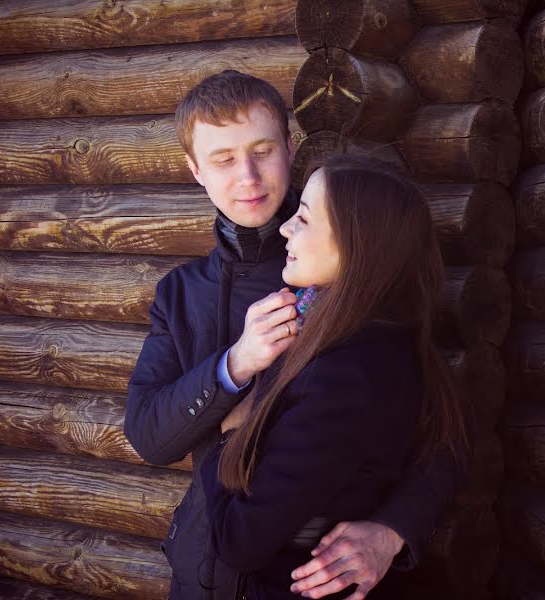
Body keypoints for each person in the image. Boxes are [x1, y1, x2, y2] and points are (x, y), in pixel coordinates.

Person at [125, 71, 461, 600]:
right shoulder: (178, 294)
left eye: (263, 150)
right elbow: (148, 434)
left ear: (289, 147)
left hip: (306, 579)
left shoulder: (350, 269)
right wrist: (232, 367)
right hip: (199, 573)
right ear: (195, 170)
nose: (249, 177)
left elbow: (439, 436)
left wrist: (394, 530)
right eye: (223, 159)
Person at [201, 154, 468, 599]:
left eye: (303, 219)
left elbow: (239, 541)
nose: (287, 229)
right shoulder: (374, 334)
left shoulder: (345, 375)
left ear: (354, 244)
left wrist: (226, 435)